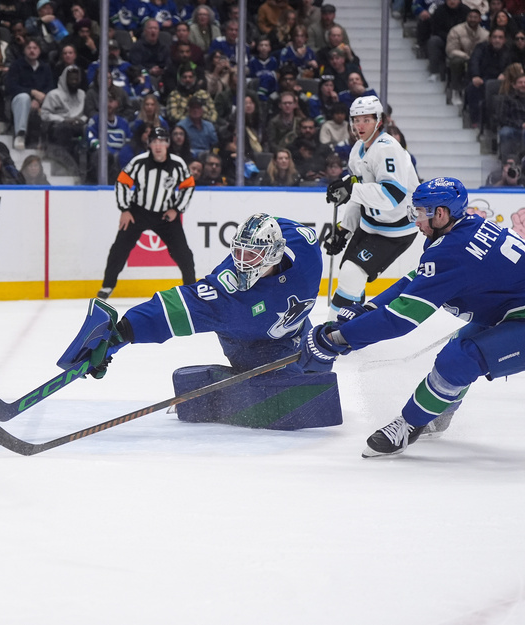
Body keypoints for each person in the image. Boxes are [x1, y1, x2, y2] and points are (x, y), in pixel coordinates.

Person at [300, 177, 525, 457]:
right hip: (513, 311)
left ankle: (409, 425)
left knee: (460, 358)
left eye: (419, 213)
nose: (416, 221)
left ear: (440, 214)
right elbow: (415, 279)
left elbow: (401, 319)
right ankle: (436, 412)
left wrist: (340, 338)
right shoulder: (466, 229)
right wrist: (365, 311)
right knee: (460, 351)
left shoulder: (452, 251)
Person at [71, 212, 335, 429]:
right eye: (239, 252)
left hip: (299, 330)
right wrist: (119, 335)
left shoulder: (305, 245)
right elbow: (173, 308)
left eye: (252, 255)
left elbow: (277, 225)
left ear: (275, 253)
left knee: (321, 376)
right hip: (252, 345)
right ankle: (217, 385)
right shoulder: (228, 293)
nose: (242, 263)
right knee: (293, 407)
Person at [322, 95, 419, 320]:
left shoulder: (387, 149)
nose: (360, 125)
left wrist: (351, 188)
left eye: (366, 119)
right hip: (370, 225)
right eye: (356, 120)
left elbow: (392, 195)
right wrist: (345, 229)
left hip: (396, 231)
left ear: (379, 120)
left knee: (351, 273)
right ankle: (351, 325)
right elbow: (360, 195)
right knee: (350, 274)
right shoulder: (358, 150)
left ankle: (331, 329)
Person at [97, 127, 196, 300]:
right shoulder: (139, 162)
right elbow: (121, 183)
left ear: (167, 144)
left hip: (165, 215)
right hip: (138, 212)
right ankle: (107, 285)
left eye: (162, 141)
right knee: (119, 249)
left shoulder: (177, 164)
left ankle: (191, 290)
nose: (158, 146)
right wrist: (125, 209)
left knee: (183, 253)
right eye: (154, 142)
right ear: (149, 144)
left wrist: (177, 209)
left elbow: (188, 185)